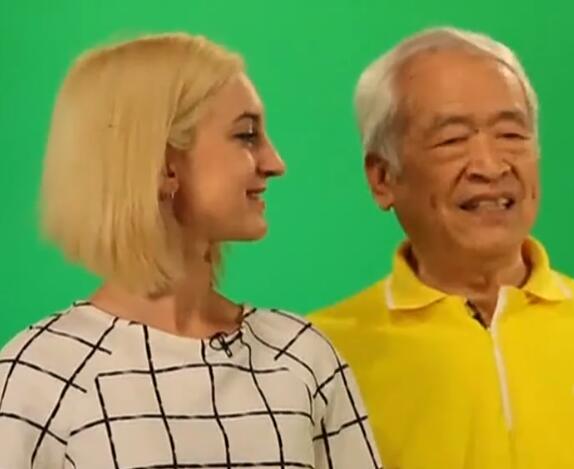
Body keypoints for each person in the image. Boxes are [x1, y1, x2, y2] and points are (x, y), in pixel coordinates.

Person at [0, 33, 381, 469]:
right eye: (246, 135)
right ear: (164, 164)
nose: (275, 162)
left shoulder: (303, 358)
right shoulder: (38, 378)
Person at [311, 26, 574, 469]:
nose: (490, 165)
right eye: (452, 139)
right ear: (383, 177)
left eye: (511, 134)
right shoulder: (318, 358)